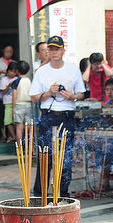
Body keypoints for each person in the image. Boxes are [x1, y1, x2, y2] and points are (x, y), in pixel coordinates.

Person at [29, 35, 86, 198]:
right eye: (51, 49)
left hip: (67, 116)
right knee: (44, 154)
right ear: (48, 52)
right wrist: (49, 93)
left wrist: (72, 96)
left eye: (57, 49)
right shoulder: (41, 71)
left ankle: (63, 193)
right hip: (48, 116)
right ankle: (40, 194)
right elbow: (34, 97)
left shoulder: (73, 69)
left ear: (63, 50)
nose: (54, 52)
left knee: (65, 155)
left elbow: (82, 94)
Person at [0, 43, 15, 142]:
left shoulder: (14, 62)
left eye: (10, 52)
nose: (8, 54)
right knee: (1, 113)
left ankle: (11, 135)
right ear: (3, 51)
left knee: (11, 115)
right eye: (7, 52)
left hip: (12, 95)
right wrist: (2, 72)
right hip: (0, 92)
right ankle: (3, 135)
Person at [12, 61, 33, 143]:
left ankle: (20, 150)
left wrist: (13, 108)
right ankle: (32, 149)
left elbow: (14, 96)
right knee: (29, 127)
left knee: (19, 128)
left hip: (19, 105)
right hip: (28, 104)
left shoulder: (16, 82)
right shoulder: (29, 81)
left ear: (17, 70)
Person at [0, 61, 18, 142]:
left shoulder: (17, 79)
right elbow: (3, 92)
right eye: (11, 71)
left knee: (15, 121)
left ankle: (11, 136)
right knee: (7, 120)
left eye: (14, 71)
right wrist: (9, 86)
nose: (12, 73)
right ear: (8, 70)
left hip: (16, 103)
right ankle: (13, 136)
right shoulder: (4, 79)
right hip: (7, 103)